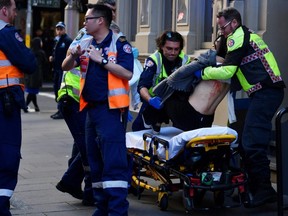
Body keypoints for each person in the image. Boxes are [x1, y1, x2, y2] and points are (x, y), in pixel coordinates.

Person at [196, 7, 285, 208]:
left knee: (252, 143)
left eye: (223, 27)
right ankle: (252, 188)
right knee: (246, 142)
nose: (222, 32)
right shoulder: (243, 35)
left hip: (266, 92)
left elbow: (227, 69)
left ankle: (264, 192)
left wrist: (201, 73)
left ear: (234, 23)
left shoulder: (237, 37)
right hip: (263, 92)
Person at [62, 4, 133, 216]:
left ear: (100, 20)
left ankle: (117, 211)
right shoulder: (84, 42)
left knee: (113, 162)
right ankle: (101, 208)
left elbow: (127, 73)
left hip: (109, 110)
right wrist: (74, 55)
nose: (84, 23)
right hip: (89, 110)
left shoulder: (119, 43)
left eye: (88, 19)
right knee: (95, 163)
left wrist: (101, 60)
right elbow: (65, 66)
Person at [0, 0, 37, 215]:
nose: (15, 14)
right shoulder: (6, 33)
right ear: (4, 10)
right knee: (7, 154)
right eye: (14, 10)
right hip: (4, 102)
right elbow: (29, 63)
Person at [132, 30, 190, 133]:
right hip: (154, 101)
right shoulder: (154, 60)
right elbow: (142, 86)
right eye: (169, 49)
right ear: (162, 46)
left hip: (176, 101)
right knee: (138, 129)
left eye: (176, 49)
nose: (173, 52)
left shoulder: (185, 61)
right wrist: (150, 100)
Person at [49, 21, 72, 119]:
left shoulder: (67, 40)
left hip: (63, 69)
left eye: (61, 29)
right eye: (57, 29)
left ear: (64, 29)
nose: (59, 31)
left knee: (60, 89)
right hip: (56, 68)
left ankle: (61, 110)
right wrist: (52, 57)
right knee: (56, 89)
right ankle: (59, 109)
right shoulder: (57, 40)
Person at [24, 37, 48, 112]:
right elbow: (45, 63)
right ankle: (25, 106)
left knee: (32, 91)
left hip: (29, 74)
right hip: (37, 75)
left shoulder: (29, 52)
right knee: (32, 92)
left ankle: (35, 106)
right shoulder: (41, 53)